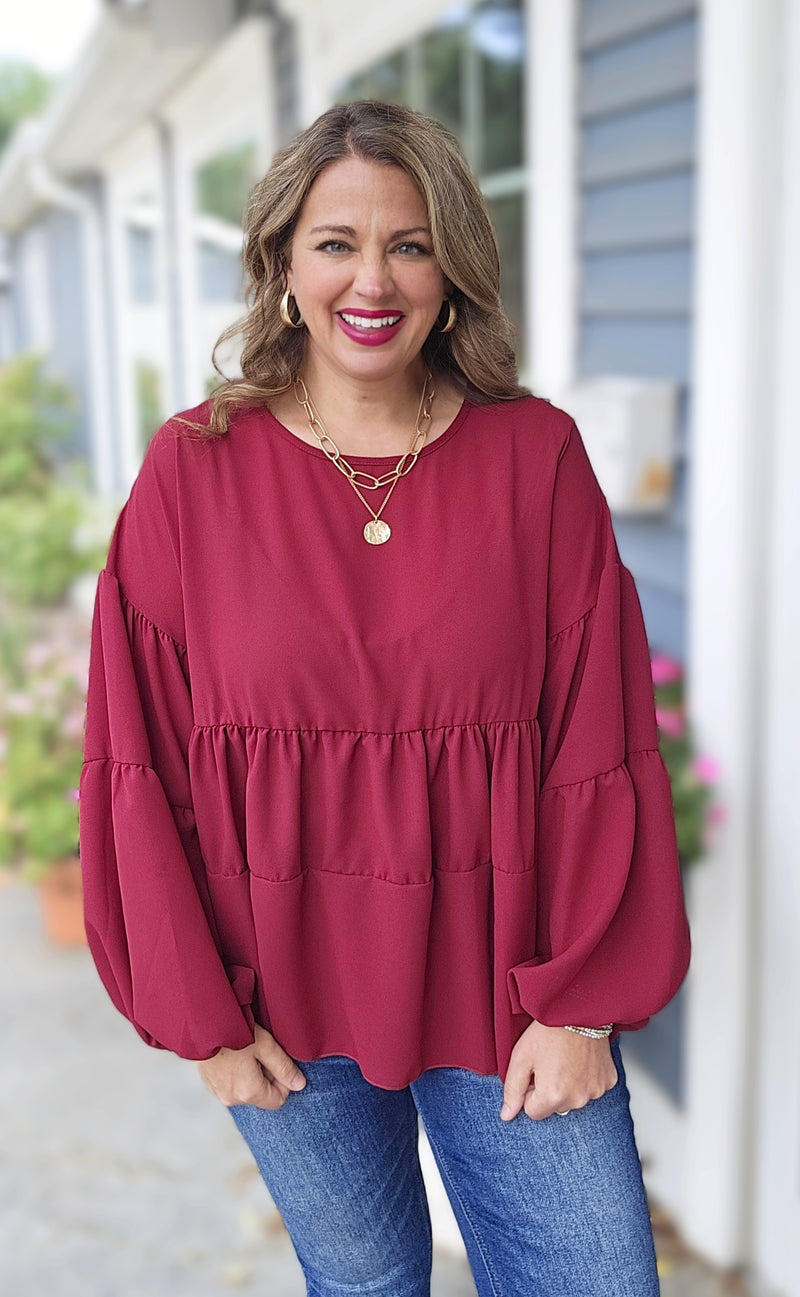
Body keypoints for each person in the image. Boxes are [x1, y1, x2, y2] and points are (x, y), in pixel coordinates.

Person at [79, 100, 691, 1296]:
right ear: (282, 264)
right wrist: (200, 1015)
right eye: (335, 243)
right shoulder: (193, 470)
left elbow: (598, 733)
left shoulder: (534, 458)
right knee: (362, 1286)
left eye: (409, 244)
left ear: (450, 271)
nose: (372, 280)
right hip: (274, 990)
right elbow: (137, 752)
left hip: (507, 979)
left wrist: (580, 1006)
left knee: (597, 1280)